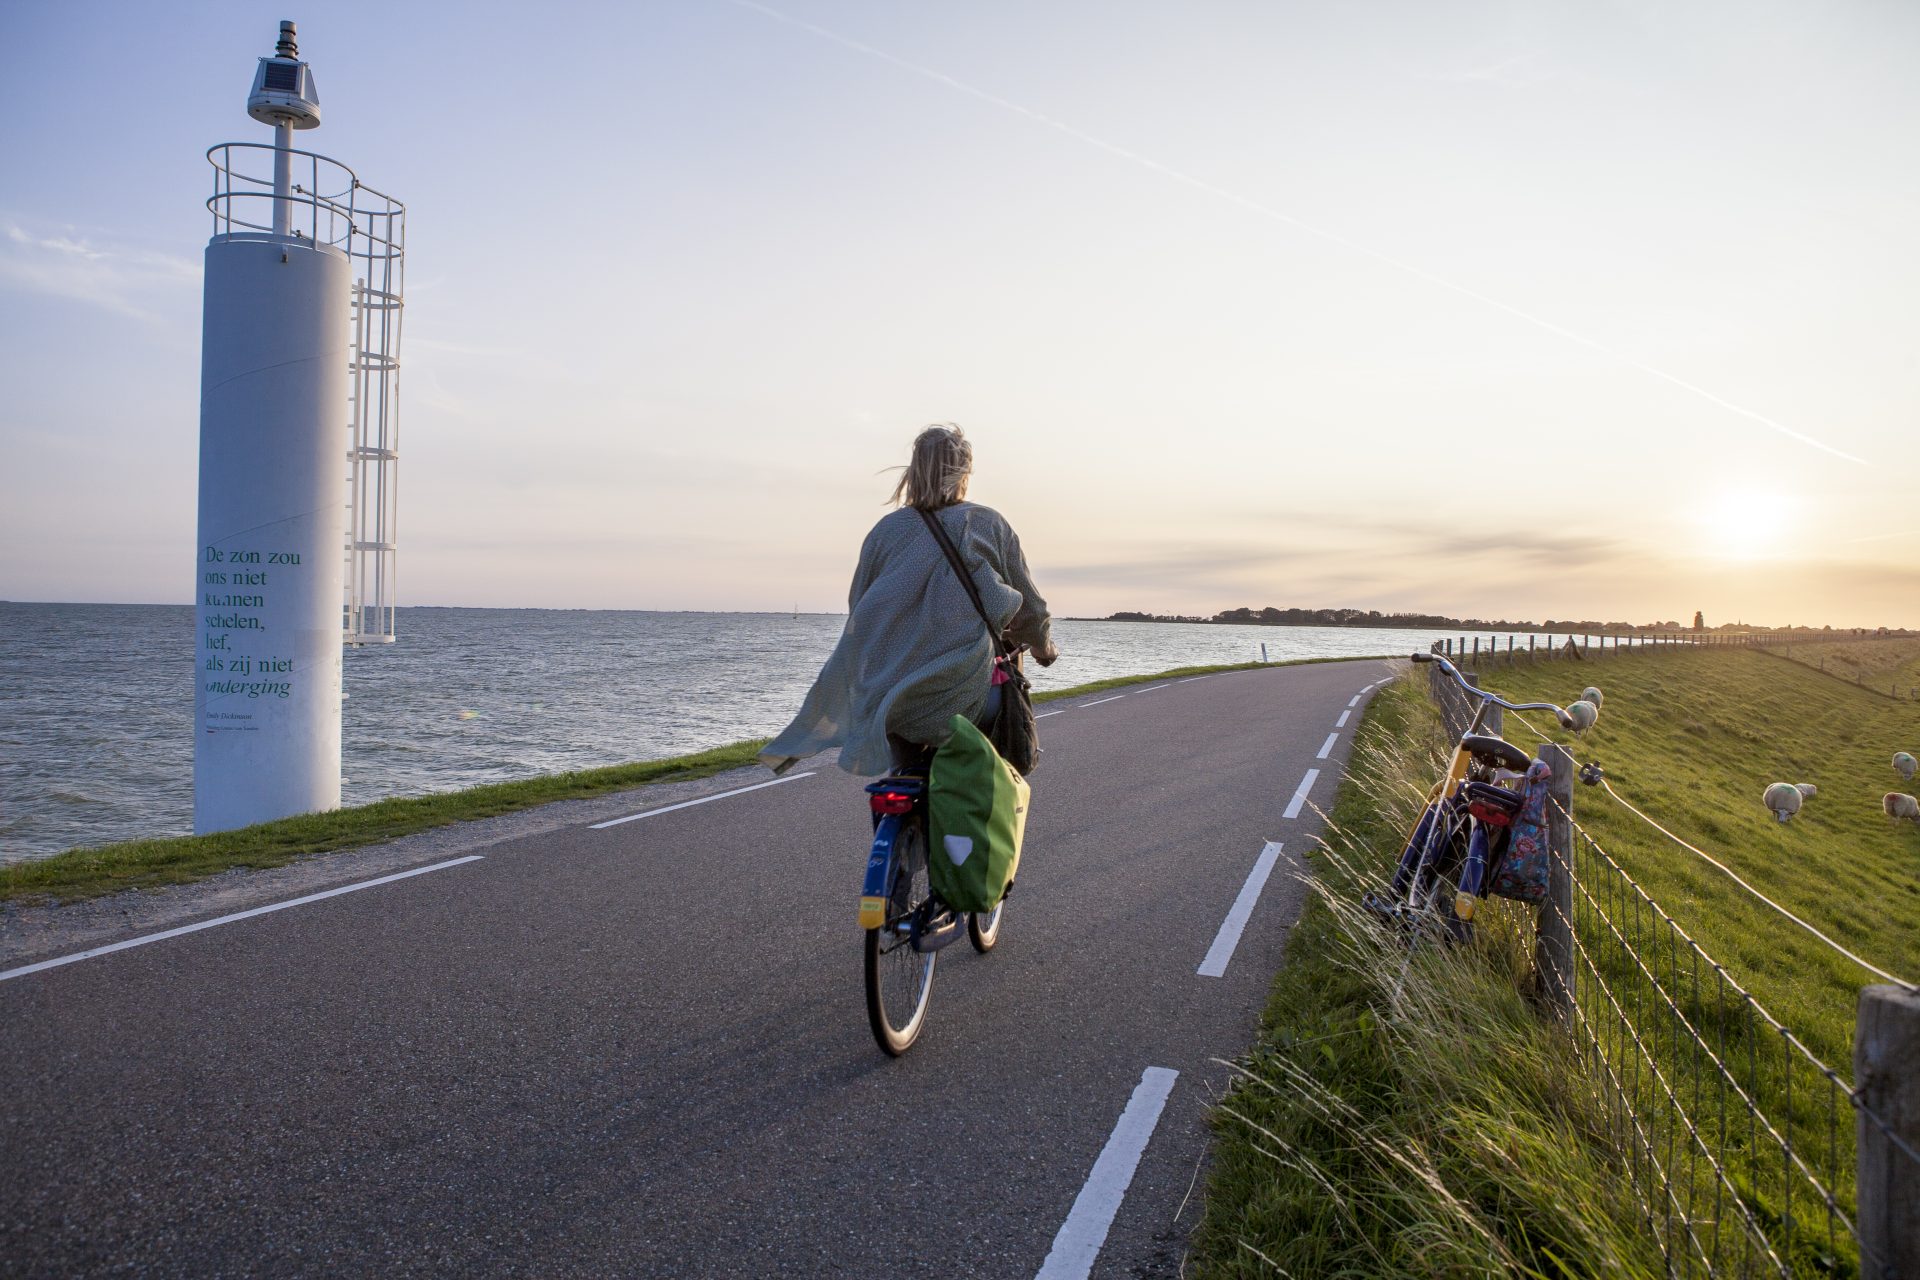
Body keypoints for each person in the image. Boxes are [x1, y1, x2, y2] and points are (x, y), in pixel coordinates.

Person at [761, 424, 1058, 777]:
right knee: (996, 776)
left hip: (895, 694)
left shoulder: (886, 531)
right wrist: (1043, 650)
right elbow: (1032, 611)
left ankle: (895, 826)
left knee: (903, 773)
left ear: (914, 472)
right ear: (963, 473)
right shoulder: (988, 524)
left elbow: (862, 609)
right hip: (966, 691)